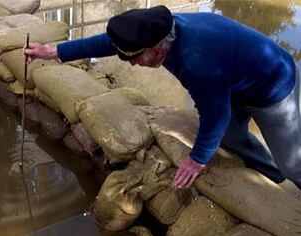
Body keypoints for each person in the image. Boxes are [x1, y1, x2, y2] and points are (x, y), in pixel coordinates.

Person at [23, 6, 301, 191]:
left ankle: (290, 178)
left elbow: (215, 114)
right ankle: (272, 178)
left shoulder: (197, 62)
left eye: (134, 60)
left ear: (156, 53)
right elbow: (109, 43)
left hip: (271, 84)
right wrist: (55, 52)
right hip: (234, 76)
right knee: (230, 136)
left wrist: (197, 160)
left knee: (292, 161)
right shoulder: (158, 32)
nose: (131, 65)